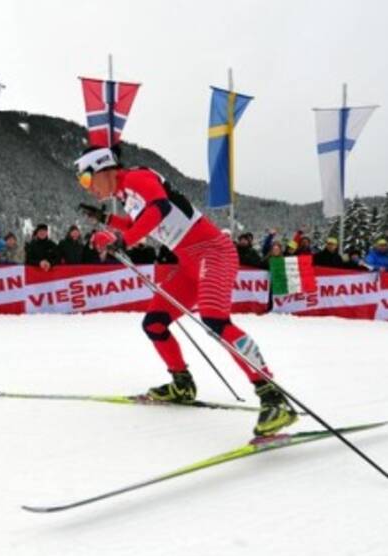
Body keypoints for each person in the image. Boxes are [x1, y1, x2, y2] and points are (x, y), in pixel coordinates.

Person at [75, 146, 296, 436]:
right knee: (154, 324)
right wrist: (106, 221)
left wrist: (124, 240)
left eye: (87, 180)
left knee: (216, 321)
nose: (88, 188)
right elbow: (138, 221)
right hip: (189, 264)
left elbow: (160, 208)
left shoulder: (138, 178)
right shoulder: (126, 196)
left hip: (213, 253)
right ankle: (182, 384)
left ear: (104, 168)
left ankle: (272, 396)